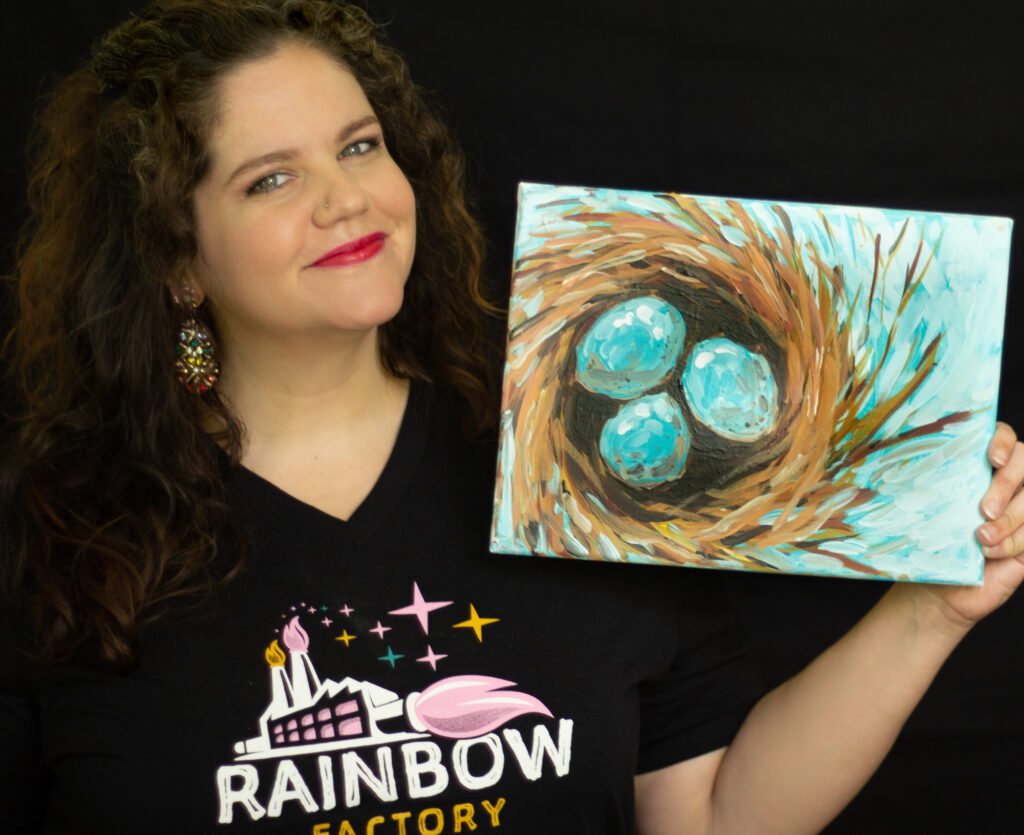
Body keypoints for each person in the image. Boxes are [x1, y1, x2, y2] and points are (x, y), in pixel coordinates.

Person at [1, 1, 1021, 833]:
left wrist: (925, 613)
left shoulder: (573, 468)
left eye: (360, 146)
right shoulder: (55, 532)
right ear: (175, 254)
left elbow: (705, 819)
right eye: (272, 177)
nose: (344, 198)